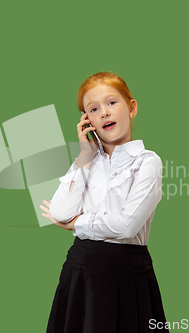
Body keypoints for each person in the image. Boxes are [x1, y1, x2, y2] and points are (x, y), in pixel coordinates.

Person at [40, 72, 169, 333]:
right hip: (81, 272)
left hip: (127, 272)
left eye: (112, 103)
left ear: (131, 108)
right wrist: (84, 157)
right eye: (94, 109)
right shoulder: (86, 162)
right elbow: (60, 211)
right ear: (86, 121)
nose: (105, 113)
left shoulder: (147, 162)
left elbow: (126, 226)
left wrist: (78, 223)